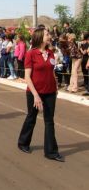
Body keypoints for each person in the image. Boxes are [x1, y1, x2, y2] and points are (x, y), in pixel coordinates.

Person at [18, 28, 64, 162]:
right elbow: (27, 76)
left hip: (50, 92)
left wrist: (55, 87)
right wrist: (36, 95)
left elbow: (51, 71)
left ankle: (51, 152)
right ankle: (23, 143)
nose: (49, 36)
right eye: (47, 34)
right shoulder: (31, 53)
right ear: (39, 37)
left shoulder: (50, 53)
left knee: (49, 121)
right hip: (34, 93)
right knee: (31, 117)